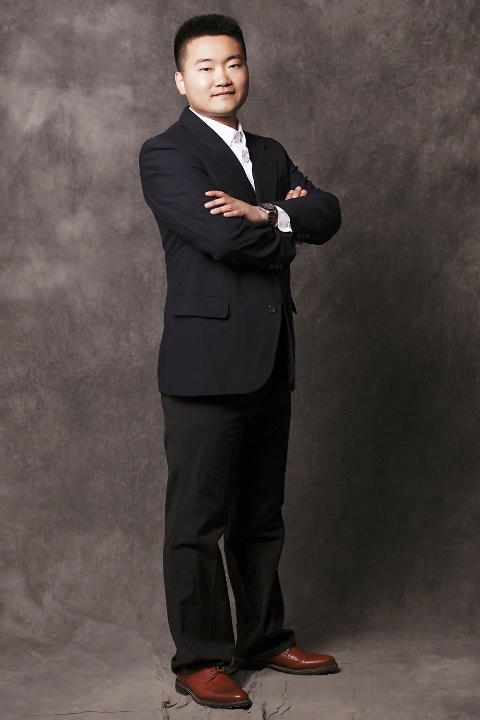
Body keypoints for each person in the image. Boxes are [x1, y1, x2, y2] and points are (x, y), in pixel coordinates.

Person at [138, 13, 341, 710]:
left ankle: (262, 637)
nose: (221, 77)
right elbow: (221, 240)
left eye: (233, 63)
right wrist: (282, 224)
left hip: (270, 357)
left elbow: (328, 214)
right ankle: (199, 658)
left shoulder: (272, 151)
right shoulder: (166, 154)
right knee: (196, 523)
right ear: (181, 80)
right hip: (204, 363)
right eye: (205, 66)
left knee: (260, 514)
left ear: (246, 68)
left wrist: (265, 212)